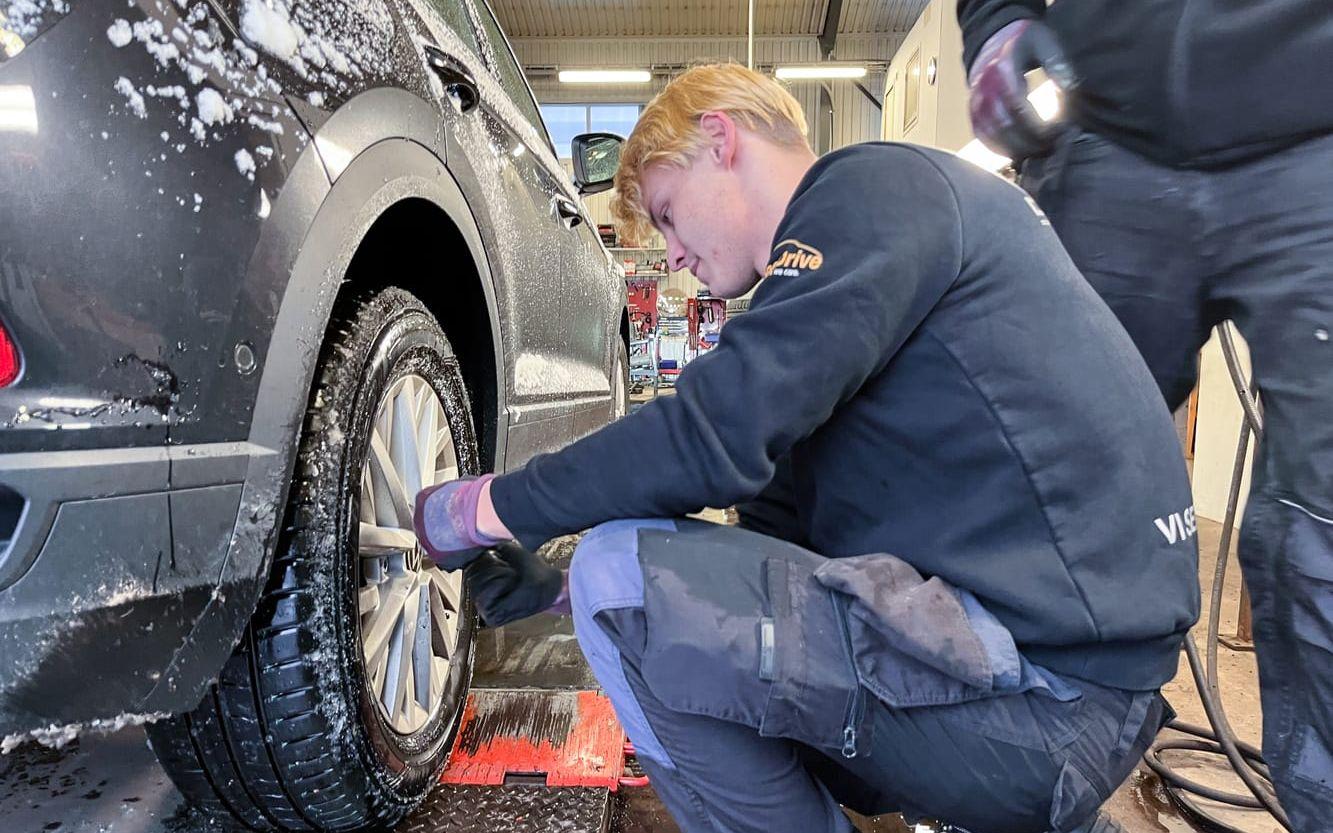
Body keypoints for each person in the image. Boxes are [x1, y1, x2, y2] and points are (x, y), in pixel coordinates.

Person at [413, 63, 1199, 833]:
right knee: (619, 591)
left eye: (668, 213)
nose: (674, 255)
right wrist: (552, 589)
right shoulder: (848, 290)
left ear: (720, 139)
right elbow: (769, 557)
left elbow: (705, 439)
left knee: (615, 578)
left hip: (1045, 708)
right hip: (1063, 697)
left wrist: (483, 507)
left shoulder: (871, 191)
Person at [957, 3, 1333, 828]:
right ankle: (1001, 793)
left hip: (1314, 128)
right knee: (1026, 498)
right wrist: (993, 22)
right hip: (1110, 131)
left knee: (1322, 539)